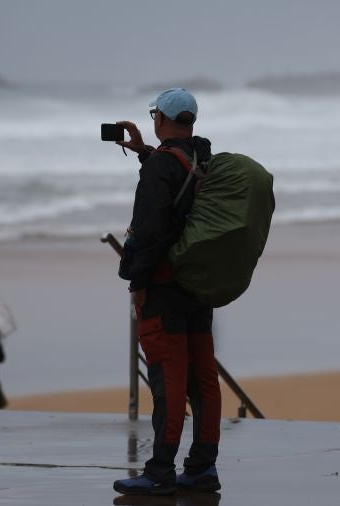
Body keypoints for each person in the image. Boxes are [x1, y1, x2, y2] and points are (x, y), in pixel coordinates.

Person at [112, 88, 222, 496]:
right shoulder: (202, 156)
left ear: (162, 118)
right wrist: (145, 153)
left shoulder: (163, 165)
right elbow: (180, 206)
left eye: (154, 113)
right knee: (203, 377)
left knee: (168, 379)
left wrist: (137, 284)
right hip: (197, 286)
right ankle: (202, 468)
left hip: (163, 288)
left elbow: (151, 231)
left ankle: (159, 472)